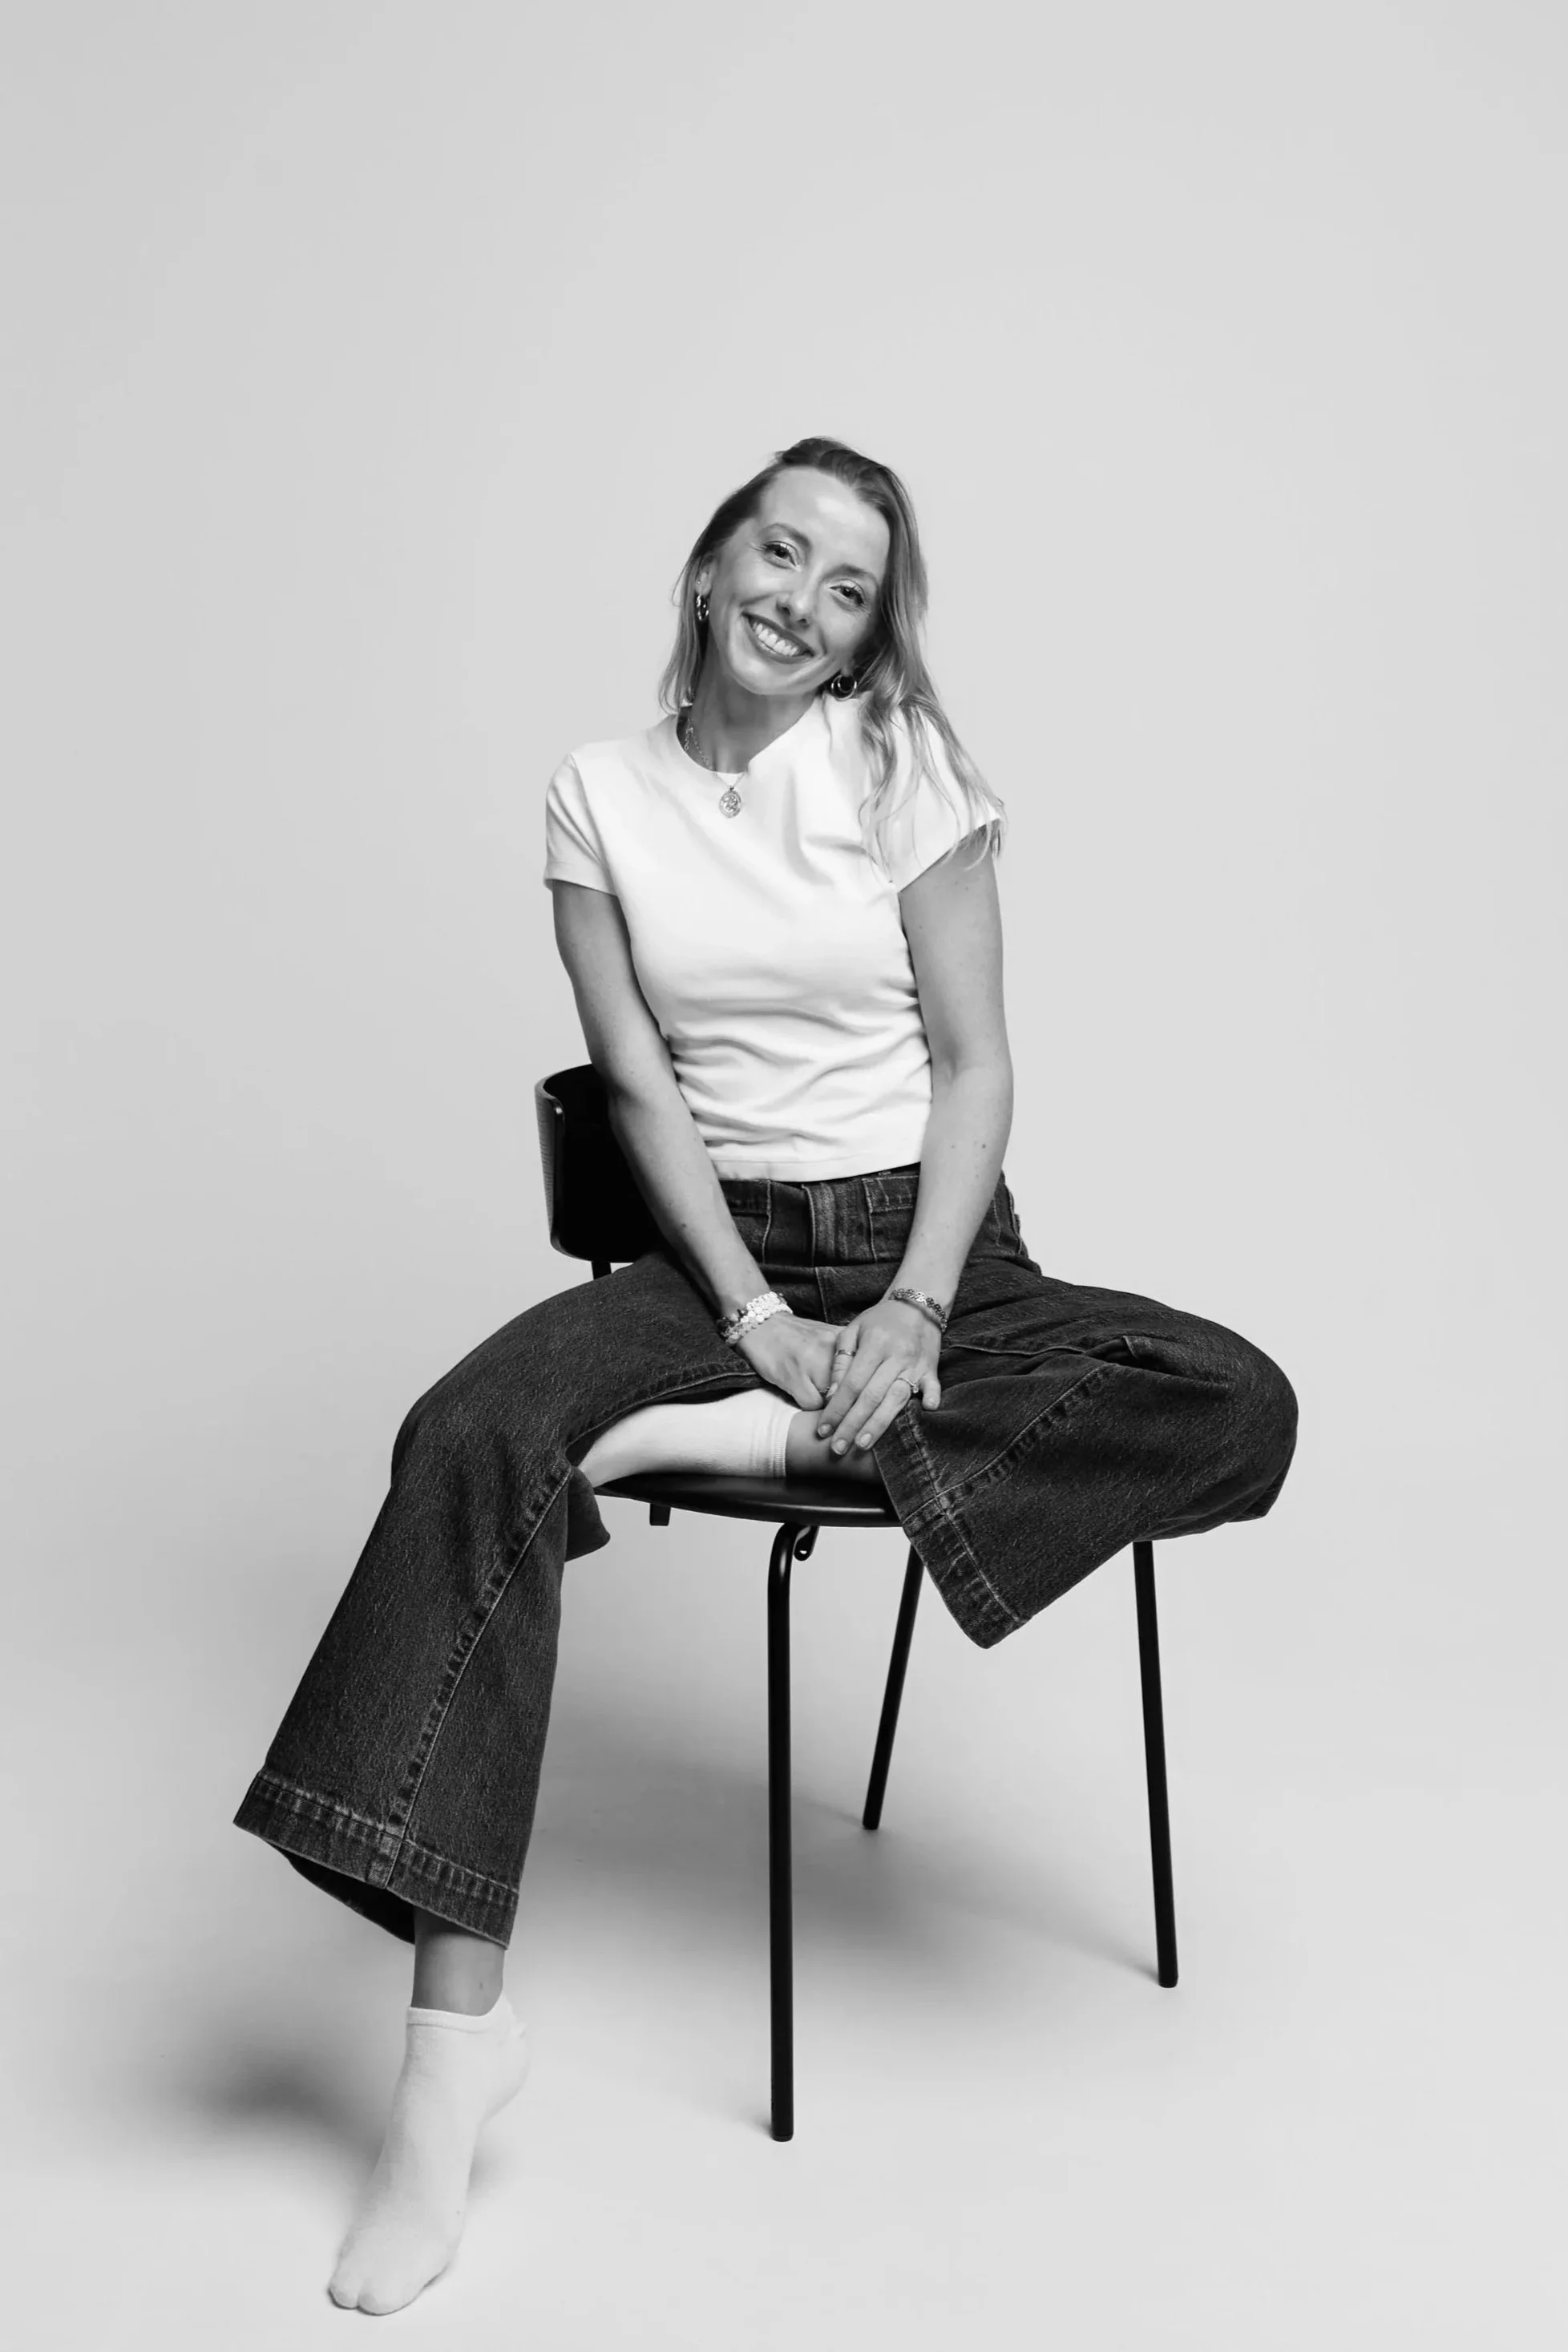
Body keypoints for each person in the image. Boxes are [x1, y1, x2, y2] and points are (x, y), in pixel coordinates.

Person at [234, 434, 1297, 2315]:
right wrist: (748, 1322)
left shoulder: (904, 771)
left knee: (1230, 1394)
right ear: (710, 559)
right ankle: (446, 2061)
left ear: (874, 632)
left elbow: (976, 1070)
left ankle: (801, 1427)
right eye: (780, 554)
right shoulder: (597, 798)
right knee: (466, 1430)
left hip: (928, 1251)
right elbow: (641, 1090)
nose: (803, 604)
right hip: (712, 1264)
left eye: (850, 587)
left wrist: (905, 1313)